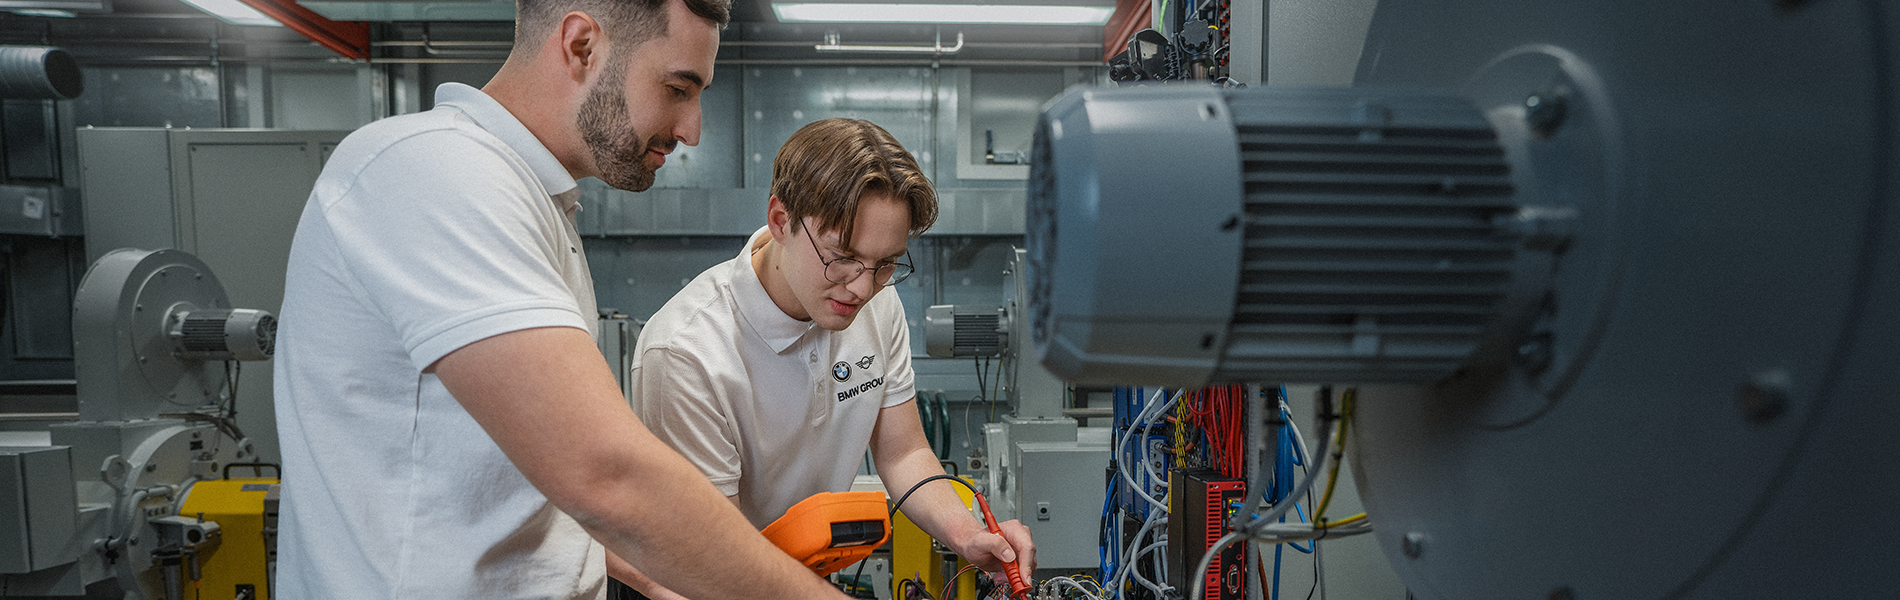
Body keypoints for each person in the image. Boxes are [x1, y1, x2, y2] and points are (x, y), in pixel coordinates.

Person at [271, 0, 852, 597]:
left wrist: (655, 575)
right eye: (678, 89)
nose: (692, 129)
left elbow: (523, 483)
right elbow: (605, 476)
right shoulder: (433, 171)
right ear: (580, 45)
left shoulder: (537, 203)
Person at [614, 118, 1036, 599]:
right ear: (781, 220)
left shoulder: (878, 303)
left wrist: (969, 536)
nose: (861, 287)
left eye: (886, 264)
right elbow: (720, 565)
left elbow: (904, 453)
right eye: (843, 256)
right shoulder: (686, 353)